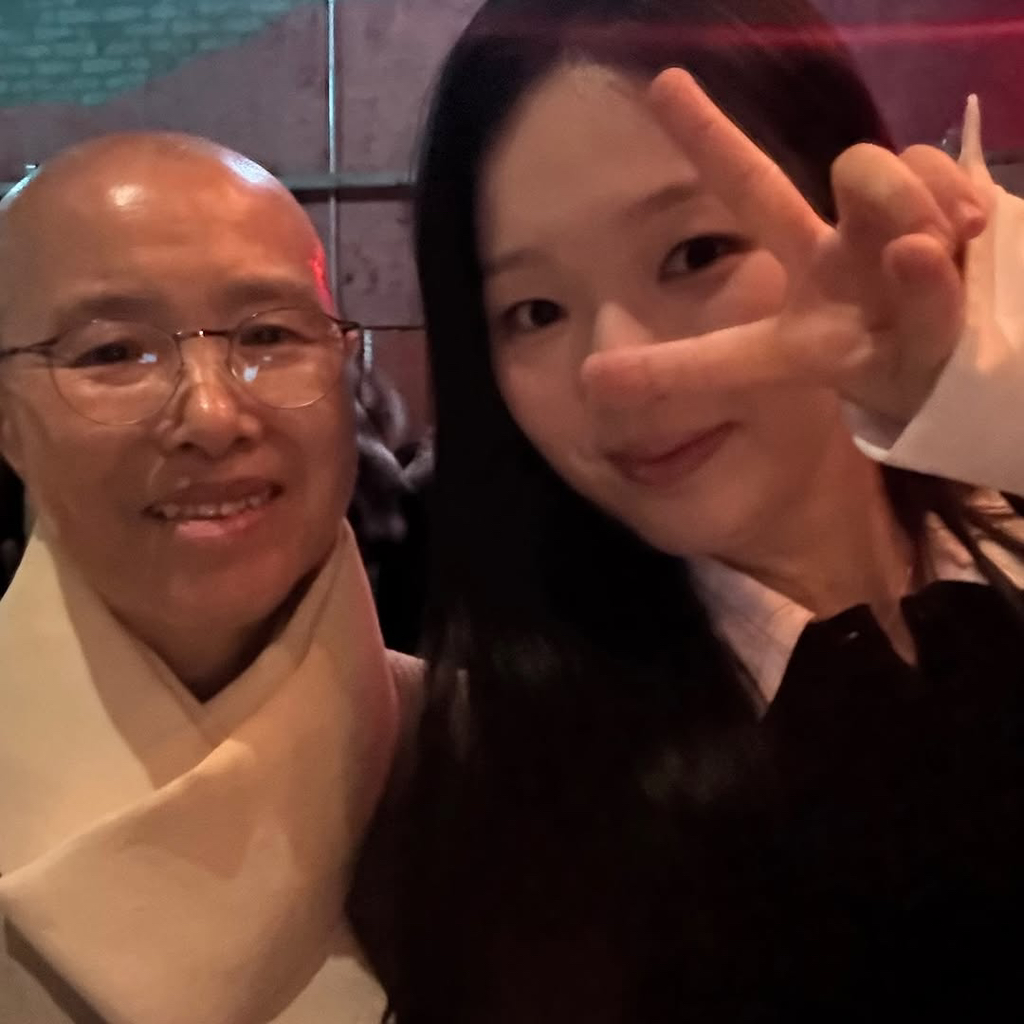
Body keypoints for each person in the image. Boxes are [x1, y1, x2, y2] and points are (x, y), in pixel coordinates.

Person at [375, 0, 1024, 1019]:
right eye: (535, 311)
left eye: (693, 253)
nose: (618, 368)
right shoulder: (507, 805)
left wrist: (993, 399)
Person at [0, 133, 402, 1023]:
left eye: (269, 335)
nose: (214, 418)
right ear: (6, 422)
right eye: (112, 353)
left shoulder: (512, 766)